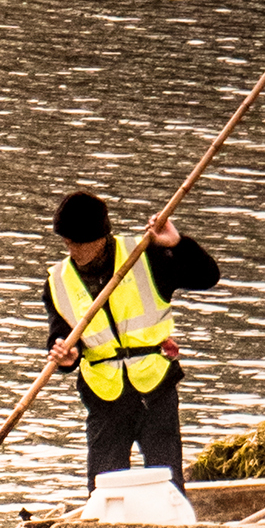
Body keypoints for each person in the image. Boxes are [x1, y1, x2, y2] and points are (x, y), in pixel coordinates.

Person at [43, 190, 220, 491]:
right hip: (104, 397)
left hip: (155, 388)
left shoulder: (145, 256)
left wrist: (177, 244)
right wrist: (65, 355)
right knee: (104, 488)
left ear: (100, 238)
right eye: (67, 242)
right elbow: (61, 335)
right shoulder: (57, 282)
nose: (72, 250)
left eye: (78, 243)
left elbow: (207, 276)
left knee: (168, 483)